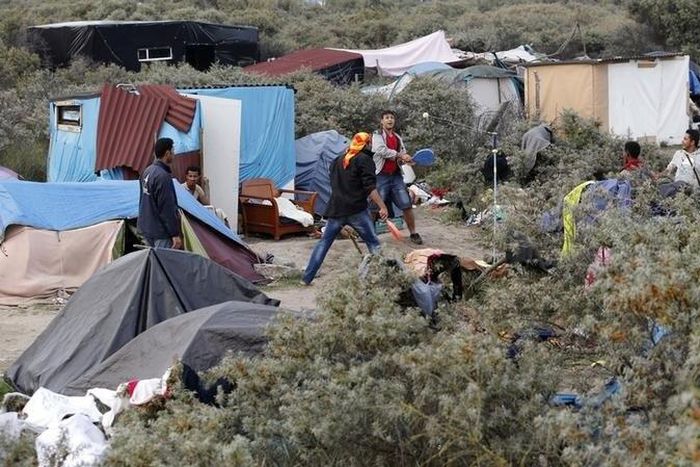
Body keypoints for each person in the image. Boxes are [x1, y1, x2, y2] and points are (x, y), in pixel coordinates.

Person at [302, 132, 388, 285]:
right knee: (373, 243)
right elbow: (370, 188)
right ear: (366, 144)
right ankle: (385, 277)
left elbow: (336, 184)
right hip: (356, 210)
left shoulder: (337, 160)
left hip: (336, 209)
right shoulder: (365, 159)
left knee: (324, 243)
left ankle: (306, 278)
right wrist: (382, 206)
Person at [371, 110, 423, 245]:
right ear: (381, 121)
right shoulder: (377, 136)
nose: (390, 120)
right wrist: (400, 155)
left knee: (406, 204)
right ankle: (368, 233)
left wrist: (407, 160)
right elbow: (380, 150)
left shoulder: (398, 138)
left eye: (392, 118)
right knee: (375, 205)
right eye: (387, 118)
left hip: (395, 176)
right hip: (381, 175)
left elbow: (402, 155)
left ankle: (413, 233)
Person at [137, 137, 183, 249]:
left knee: (154, 262)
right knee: (162, 264)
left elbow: (142, 201)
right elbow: (167, 208)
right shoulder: (163, 176)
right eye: (173, 151)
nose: (174, 154)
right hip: (160, 233)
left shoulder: (147, 171)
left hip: (147, 229)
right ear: (167, 153)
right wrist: (174, 234)